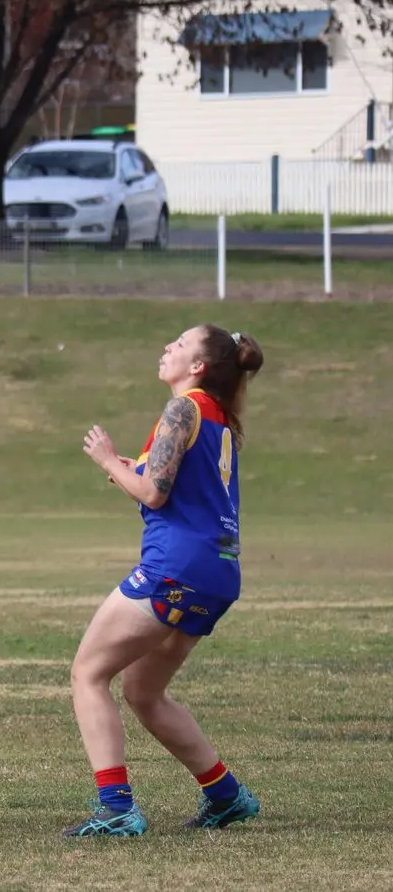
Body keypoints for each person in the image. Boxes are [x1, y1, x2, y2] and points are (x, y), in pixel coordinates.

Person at [66, 325, 264, 837]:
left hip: (176, 567)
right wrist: (127, 469)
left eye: (178, 344)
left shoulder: (183, 408)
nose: (167, 348)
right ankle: (226, 796)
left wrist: (107, 460)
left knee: (88, 673)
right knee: (143, 691)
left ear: (198, 366)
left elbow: (154, 493)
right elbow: (170, 486)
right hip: (218, 572)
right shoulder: (216, 415)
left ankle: (116, 808)